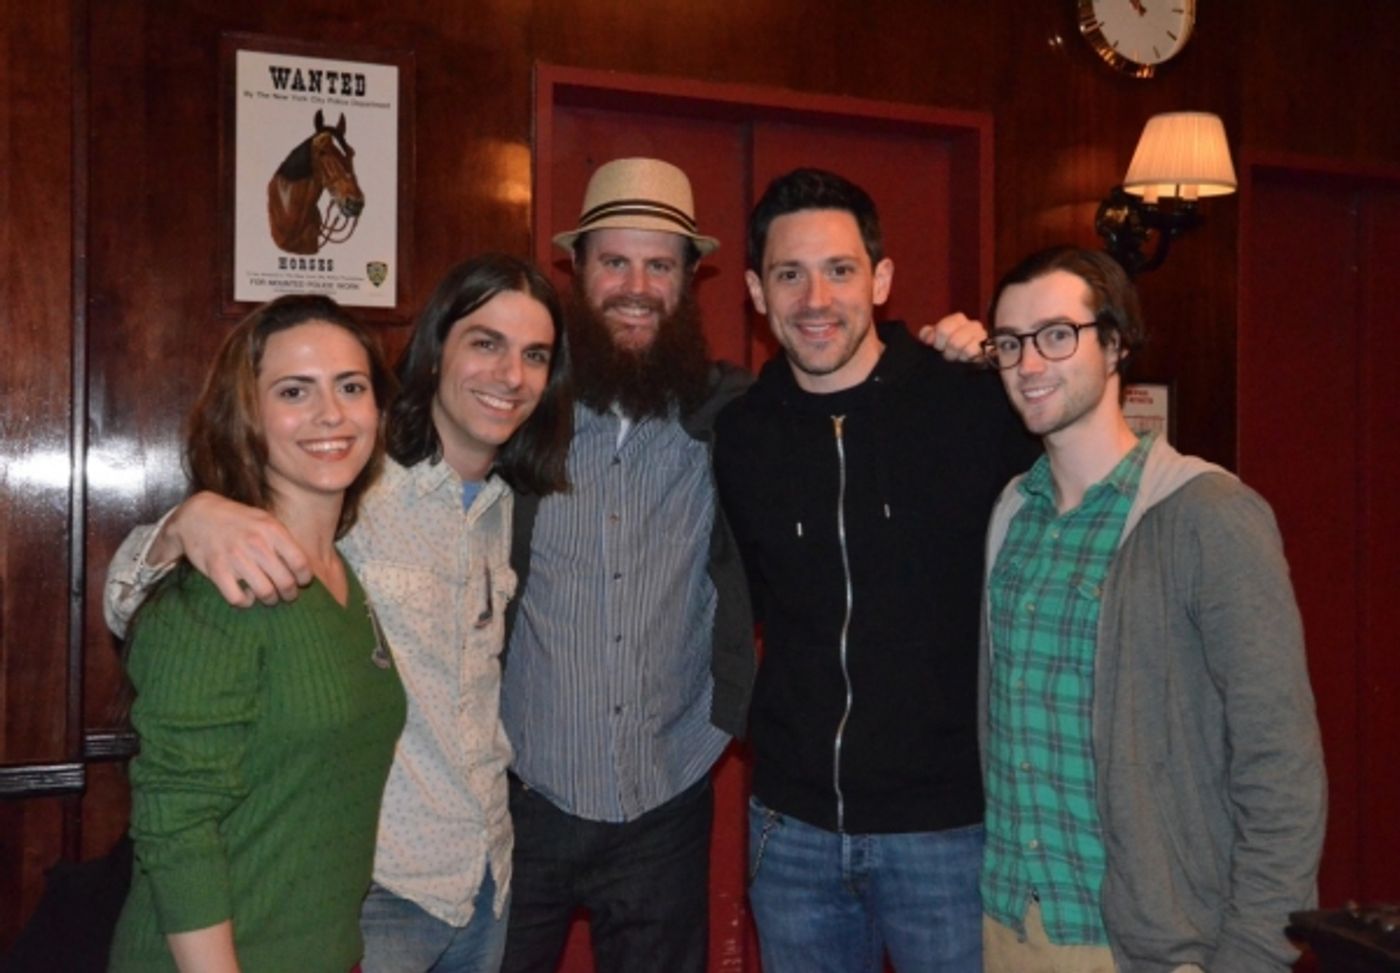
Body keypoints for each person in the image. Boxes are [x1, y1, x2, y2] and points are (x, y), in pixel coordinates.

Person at [104, 254, 574, 973]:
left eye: (534, 355)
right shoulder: (352, 477)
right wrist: (186, 522)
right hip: (373, 894)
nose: (510, 375)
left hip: (483, 876)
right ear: (435, 350)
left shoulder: (506, 507)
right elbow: (138, 605)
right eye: (485, 342)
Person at [712, 168, 1037, 973]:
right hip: (792, 833)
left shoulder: (974, 403)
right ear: (756, 290)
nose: (815, 297)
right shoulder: (743, 434)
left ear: (882, 280)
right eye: (790, 273)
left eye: (840, 270)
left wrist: (995, 353)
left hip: (949, 831)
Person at [974, 246, 1325, 973]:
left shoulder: (1209, 515)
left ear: (1115, 343)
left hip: (1148, 947)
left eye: (1056, 334)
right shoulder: (1013, 513)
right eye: (1009, 342)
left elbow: (1281, 765)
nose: (1029, 363)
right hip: (1011, 927)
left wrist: (1254, 954)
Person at [497, 157, 755, 973]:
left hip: (666, 802)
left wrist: (942, 356)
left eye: (660, 264)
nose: (636, 284)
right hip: (517, 797)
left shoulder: (735, 419)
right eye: (615, 261)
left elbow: (854, 409)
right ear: (577, 271)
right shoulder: (508, 412)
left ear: (688, 280)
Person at [108, 294, 407, 972]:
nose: (331, 414)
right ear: (246, 413)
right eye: (294, 390)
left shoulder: (339, 572)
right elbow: (176, 823)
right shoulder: (216, 588)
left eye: (351, 387)